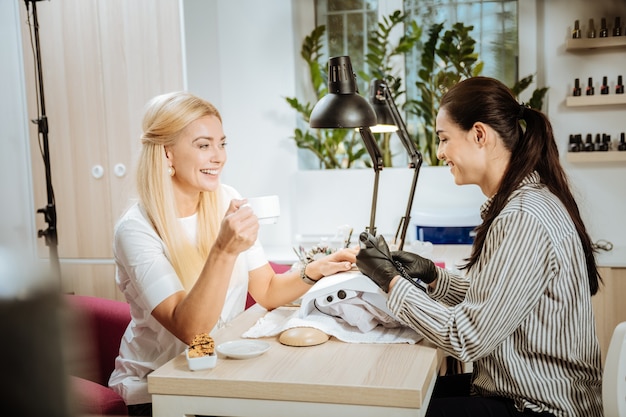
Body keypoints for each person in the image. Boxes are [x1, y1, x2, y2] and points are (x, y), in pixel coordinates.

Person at [356, 76, 603, 417]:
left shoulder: (523, 217)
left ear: (479, 135)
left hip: (539, 406)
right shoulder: (522, 203)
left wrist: (390, 281)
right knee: (394, 396)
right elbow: (496, 302)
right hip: (516, 387)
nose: (440, 152)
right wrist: (432, 276)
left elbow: (467, 337)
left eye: (444, 139)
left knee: (388, 407)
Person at [109, 91, 357, 416]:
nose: (219, 157)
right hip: (157, 392)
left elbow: (267, 290)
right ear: (167, 154)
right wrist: (224, 249)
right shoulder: (136, 229)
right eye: (203, 145)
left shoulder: (227, 198)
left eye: (222, 143)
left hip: (219, 376)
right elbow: (192, 331)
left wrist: (314, 270)